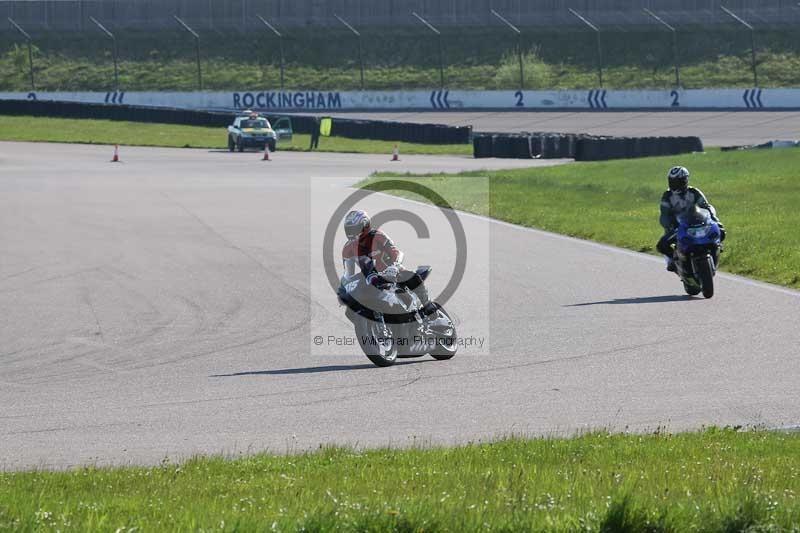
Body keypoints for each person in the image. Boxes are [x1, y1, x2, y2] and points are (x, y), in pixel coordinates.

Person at [341, 209, 436, 316]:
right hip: (371, 278)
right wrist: (343, 288)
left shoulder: (378, 236)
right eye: (349, 230)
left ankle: (428, 306)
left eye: (355, 229)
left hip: (391, 271)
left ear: (365, 225)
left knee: (411, 277)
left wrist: (394, 266)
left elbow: (396, 252)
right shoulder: (347, 249)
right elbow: (348, 274)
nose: (352, 234)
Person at [657, 166, 725, 271]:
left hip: (697, 223)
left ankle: (717, 248)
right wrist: (669, 225)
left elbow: (706, 206)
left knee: (721, 230)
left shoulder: (694, 192)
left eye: (678, 182)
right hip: (677, 227)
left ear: (685, 181)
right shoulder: (667, 196)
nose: (675, 184)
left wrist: (714, 219)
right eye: (672, 181)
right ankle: (675, 260)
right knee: (662, 245)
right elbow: (664, 215)